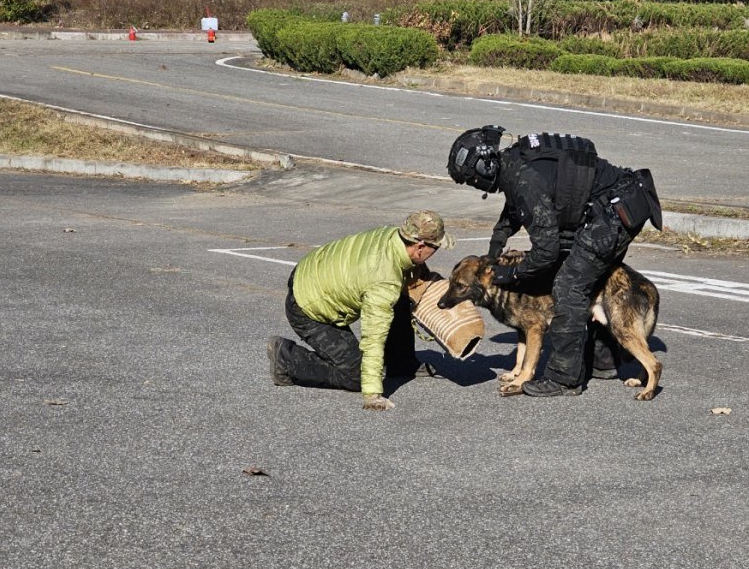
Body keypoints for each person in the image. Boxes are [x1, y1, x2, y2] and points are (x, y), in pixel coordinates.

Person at [447, 126, 660, 398]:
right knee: (591, 280)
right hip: (616, 204)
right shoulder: (514, 164)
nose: (475, 184)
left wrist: (511, 275)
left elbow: (546, 251)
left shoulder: (524, 180)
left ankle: (563, 379)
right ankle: (604, 363)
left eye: (473, 179)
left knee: (569, 285)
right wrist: (492, 253)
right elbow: (511, 212)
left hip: (615, 213)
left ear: (485, 167)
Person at [267, 211, 453, 411]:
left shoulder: (393, 236)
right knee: (356, 375)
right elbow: (374, 335)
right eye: (435, 247)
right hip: (307, 307)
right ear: (419, 247)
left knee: (401, 294)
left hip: (313, 271)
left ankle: (401, 363)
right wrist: (373, 394)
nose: (437, 251)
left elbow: (412, 275)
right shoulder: (383, 278)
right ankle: (286, 358)